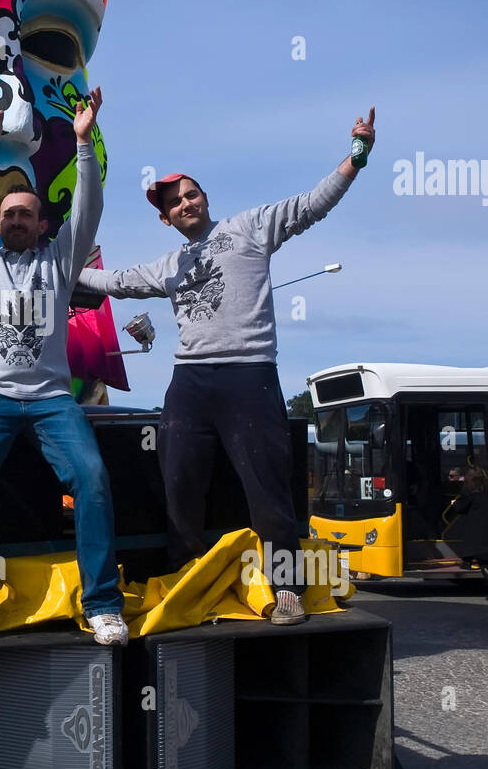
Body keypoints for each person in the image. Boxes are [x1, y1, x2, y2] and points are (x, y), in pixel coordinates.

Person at [74, 108, 377, 625]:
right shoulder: (167, 266)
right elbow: (116, 282)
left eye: (191, 194)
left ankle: (286, 590)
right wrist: (56, 269)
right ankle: (188, 578)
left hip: (249, 374)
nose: (185, 203)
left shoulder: (250, 228)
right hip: (189, 382)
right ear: (165, 218)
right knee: (179, 482)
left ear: (205, 198)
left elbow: (312, 205)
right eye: (174, 203)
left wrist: (356, 156)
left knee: (268, 490)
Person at [0, 86, 126, 647]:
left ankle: (102, 604)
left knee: (92, 478)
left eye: (26, 214)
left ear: (43, 224)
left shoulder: (60, 263)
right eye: (7, 215)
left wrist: (83, 139)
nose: (16, 220)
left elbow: (89, 207)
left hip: (51, 401)